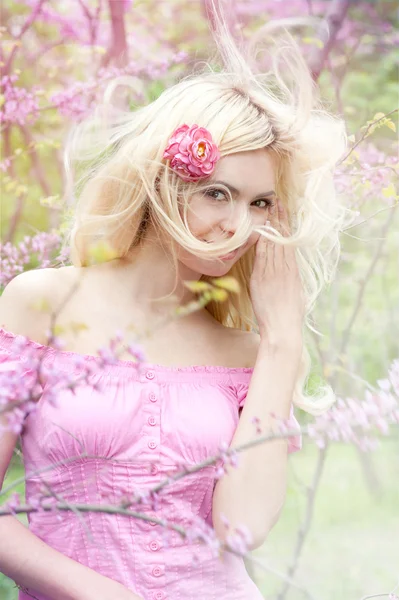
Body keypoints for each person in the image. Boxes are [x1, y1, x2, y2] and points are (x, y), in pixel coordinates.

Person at [0, 5, 353, 600]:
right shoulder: (42, 303)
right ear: (162, 181)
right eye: (218, 193)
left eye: (261, 204)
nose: (239, 226)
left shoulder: (247, 350)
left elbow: (240, 531)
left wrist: (283, 342)